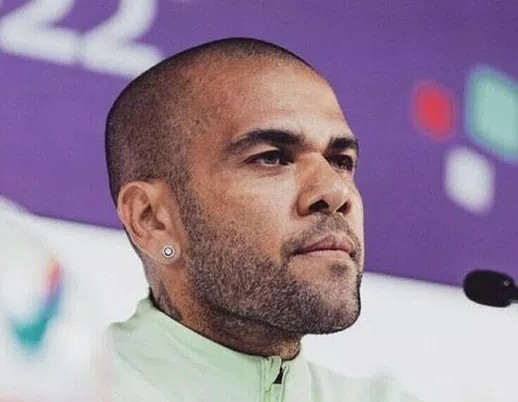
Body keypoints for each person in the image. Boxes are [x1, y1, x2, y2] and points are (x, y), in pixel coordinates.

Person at [105, 37, 418, 402]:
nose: (335, 191)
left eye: (340, 162)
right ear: (152, 219)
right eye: (272, 158)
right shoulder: (64, 385)